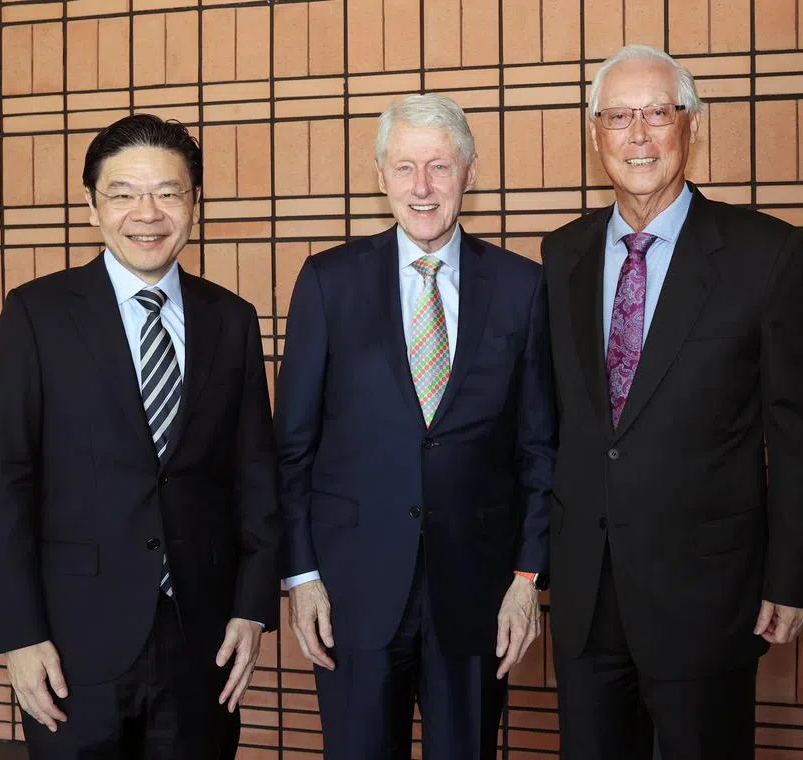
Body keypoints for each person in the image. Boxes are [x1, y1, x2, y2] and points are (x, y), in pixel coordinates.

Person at [541, 45, 803, 760]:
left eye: (657, 114)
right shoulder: (560, 256)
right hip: (586, 594)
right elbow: (553, 426)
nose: (637, 136)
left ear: (691, 126)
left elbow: (798, 430)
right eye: (617, 117)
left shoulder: (765, 253)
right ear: (594, 134)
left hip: (708, 593)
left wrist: (791, 578)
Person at [0, 113, 281, 759]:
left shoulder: (231, 318)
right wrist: (18, 635)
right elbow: (6, 479)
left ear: (194, 204)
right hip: (72, 639)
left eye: (168, 193)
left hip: (203, 636)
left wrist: (252, 610)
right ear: (91, 206)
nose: (147, 213)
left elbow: (254, 472)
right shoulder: (37, 313)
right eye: (123, 194)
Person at [275, 93, 556, 759]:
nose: (422, 188)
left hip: (476, 592)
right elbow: (291, 447)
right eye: (404, 168)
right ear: (380, 177)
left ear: (470, 171)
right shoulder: (327, 282)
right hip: (353, 591)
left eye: (438, 166)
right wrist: (301, 575)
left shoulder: (523, 288)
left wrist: (527, 579)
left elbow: (540, 446)